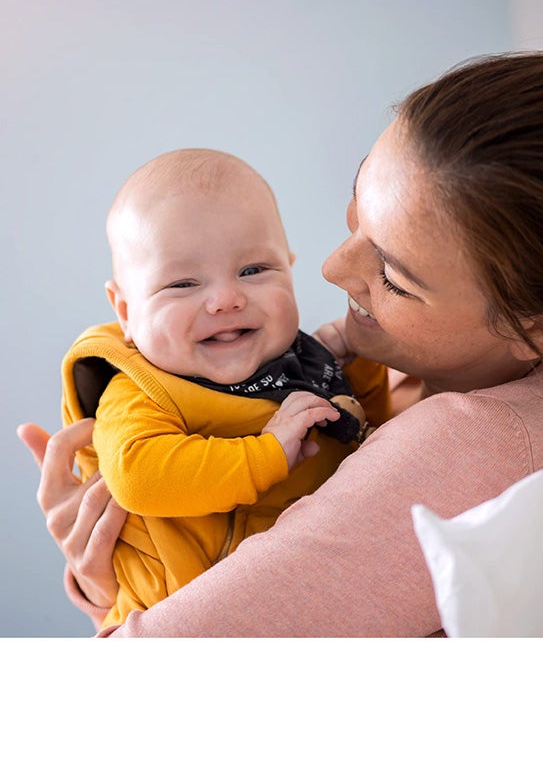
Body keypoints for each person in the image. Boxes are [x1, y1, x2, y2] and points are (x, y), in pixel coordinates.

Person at [19, 51, 543, 637]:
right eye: (357, 212)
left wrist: (107, 599)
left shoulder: (465, 449)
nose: (329, 268)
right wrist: (109, 565)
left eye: (392, 276)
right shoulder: (420, 372)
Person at [57, 148, 389, 626]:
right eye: (182, 284)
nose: (227, 299)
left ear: (289, 269)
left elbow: (372, 436)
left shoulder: (303, 362)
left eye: (253, 271)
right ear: (125, 311)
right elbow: (139, 475)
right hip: (179, 618)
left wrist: (361, 368)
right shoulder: (141, 390)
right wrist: (266, 453)